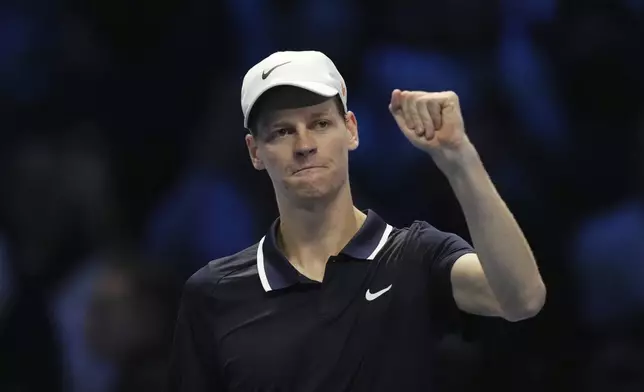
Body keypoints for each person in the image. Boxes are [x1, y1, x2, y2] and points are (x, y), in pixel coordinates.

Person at [170, 50, 546, 391]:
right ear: (255, 151)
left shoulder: (414, 257)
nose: (304, 145)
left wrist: (459, 159)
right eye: (283, 131)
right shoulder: (213, 293)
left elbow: (522, 298)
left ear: (350, 129)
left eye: (320, 123)